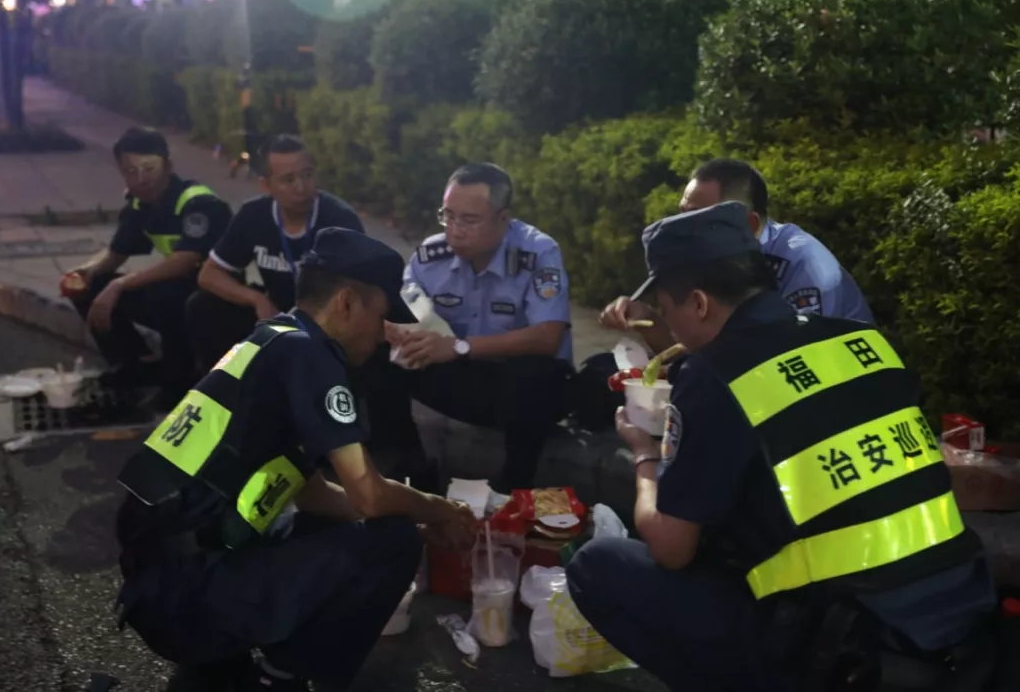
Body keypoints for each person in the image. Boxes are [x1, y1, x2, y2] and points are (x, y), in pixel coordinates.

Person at [566, 201, 997, 692]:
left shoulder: (716, 374)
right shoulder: (866, 342)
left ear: (700, 304)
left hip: (848, 650)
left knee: (597, 567)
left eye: (668, 312)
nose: (671, 329)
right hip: (957, 626)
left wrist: (644, 454)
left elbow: (671, 548)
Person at [113, 227, 478, 692]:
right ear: (347, 302)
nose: (385, 335)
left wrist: (417, 520)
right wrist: (441, 508)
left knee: (382, 527)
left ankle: (232, 657)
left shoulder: (273, 339)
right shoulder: (310, 355)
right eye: (382, 316)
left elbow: (314, 496)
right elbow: (368, 494)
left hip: (164, 584)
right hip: (193, 596)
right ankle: (281, 677)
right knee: (394, 542)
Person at [376, 162, 575, 493]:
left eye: (469, 220)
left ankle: (514, 487)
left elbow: (548, 337)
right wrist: (393, 330)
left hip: (527, 393)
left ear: (503, 218)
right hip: (466, 379)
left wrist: (458, 347)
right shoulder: (430, 257)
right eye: (448, 216)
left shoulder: (537, 252)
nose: (455, 230)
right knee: (378, 357)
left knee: (533, 372)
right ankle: (412, 466)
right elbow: (400, 310)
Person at [599, 158, 874, 356]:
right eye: (681, 215)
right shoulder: (715, 257)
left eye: (698, 219)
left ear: (749, 224)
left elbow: (791, 365)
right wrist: (648, 321)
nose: (682, 229)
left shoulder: (807, 267)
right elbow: (701, 351)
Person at [65, 127, 231, 410]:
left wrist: (120, 284)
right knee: (90, 287)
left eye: (149, 168)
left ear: (168, 165)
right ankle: (136, 365)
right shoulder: (140, 204)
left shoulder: (198, 203)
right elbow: (117, 252)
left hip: (216, 299)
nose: (141, 179)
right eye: (131, 171)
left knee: (167, 295)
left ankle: (179, 382)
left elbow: (185, 261)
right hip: (180, 291)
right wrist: (86, 273)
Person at [187, 134, 364, 372]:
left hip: (328, 322)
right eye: (288, 180)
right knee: (202, 306)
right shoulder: (254, 215)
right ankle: (224, 386)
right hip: (275, 314)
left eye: (308, 175)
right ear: (266, 186)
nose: (301, 187)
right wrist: (256, 299)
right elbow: (209, 274)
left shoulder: (340, 219)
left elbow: (365, 292)